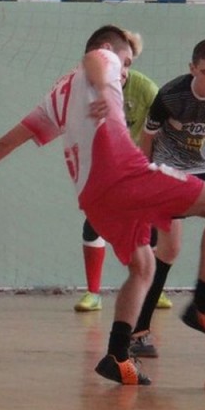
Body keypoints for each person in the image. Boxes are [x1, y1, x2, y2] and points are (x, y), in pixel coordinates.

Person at [0, 25, 205, 385]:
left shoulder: (57, 96)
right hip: (123, 173)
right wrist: (105, 88)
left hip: (94, 199)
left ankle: (117, 356)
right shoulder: (102, 61)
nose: (124, 72)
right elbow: (96, 60)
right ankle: (203, 306)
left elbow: (6, 143)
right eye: (126, 62)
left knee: (143, 266)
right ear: (109, 49)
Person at [129, 39, 205, 358]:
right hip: (173, 168)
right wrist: (147, 177)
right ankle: (139, 331)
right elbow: (148, 137)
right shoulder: (170, 96)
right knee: (169, 249)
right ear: (192, 69)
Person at [75, 62, 172, 313]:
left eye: (125, 63)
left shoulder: (146, 89)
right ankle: (93, 293)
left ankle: (153, 289)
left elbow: (164, 126)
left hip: (140, 162)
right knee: (94, 223)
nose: (121, 71)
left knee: (151, 222)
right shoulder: (85, 91)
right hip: (104, 166)